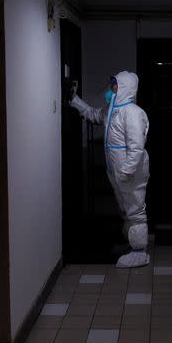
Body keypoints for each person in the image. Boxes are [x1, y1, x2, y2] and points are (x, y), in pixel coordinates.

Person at [69, 71, 150, 268]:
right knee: (125, 208)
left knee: (135, 209)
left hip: (130, 172)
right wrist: (74, 100)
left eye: (115, 85)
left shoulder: (132, 112)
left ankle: (140, 252)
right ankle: (132, 244)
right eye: (112, 84)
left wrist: (128, 170)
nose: (111, 89)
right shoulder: (112, 109)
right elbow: (94, 115)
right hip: (118, 170)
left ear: (125, 88)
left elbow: (136, 146)